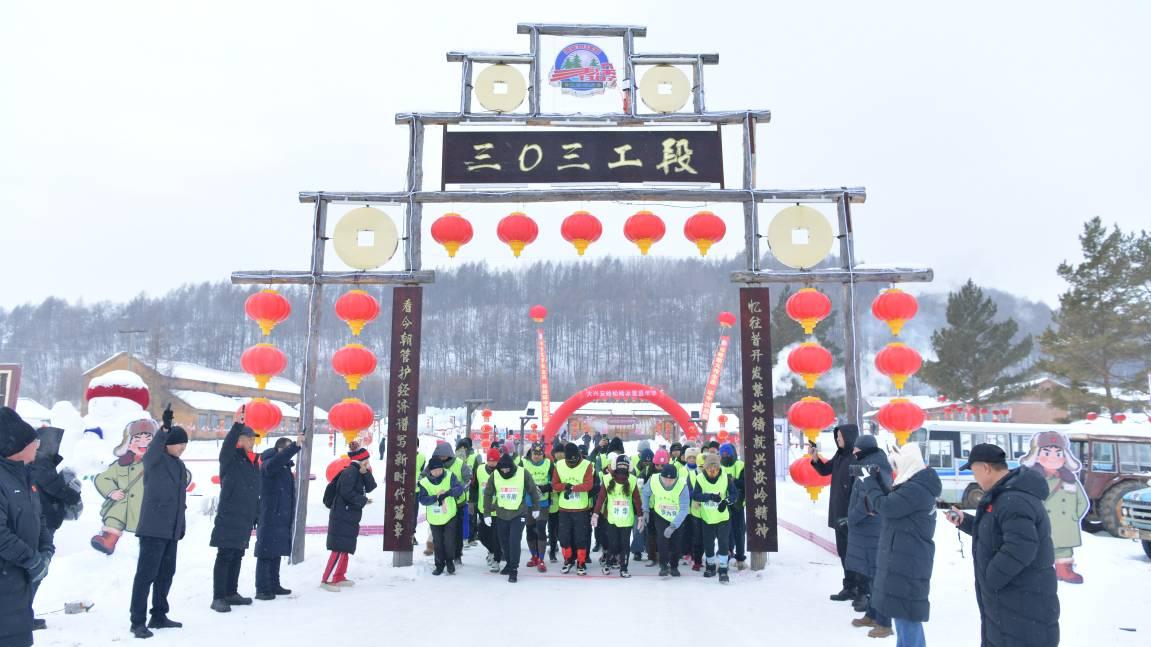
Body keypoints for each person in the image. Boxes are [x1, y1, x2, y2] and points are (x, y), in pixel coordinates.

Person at [947, 444, 1059, 647]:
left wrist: (991, 578)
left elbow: (1021, 547)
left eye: (974, 472)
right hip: (1012, 603)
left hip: (1022, 604)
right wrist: (965, 521)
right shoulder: (1005, 496)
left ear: (986, 468)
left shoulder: (1013, 499)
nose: (975, 478)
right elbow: (997, 533)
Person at [863, 443, 940, 645]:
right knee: (902, 613)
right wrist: (877, 480)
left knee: (907, 615)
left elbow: (886, 506)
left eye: (897, 465)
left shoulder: (916, 489)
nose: (895, 471)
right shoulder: (915, 485)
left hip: (908, 560)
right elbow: (892, 502)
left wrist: (869, 481)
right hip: (906, 557)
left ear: (908, 463)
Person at [130, 407, 190, 639]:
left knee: (166, 574)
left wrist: (180, 525)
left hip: (171, 530)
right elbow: (154, 448)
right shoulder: (155, 459)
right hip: (153, 529)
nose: (183, 447)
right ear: (168, 443)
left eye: (185, 444)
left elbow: (180, 499)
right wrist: (164, 429)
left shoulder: (179, 465)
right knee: (146, 576)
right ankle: (137, 621)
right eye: (180, 443)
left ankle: (159, 615)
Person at [0, 408, 52, 647]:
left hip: (19, 584)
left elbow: (39, 518)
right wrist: (31, 560)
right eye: (34, 442)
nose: (38, 447)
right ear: (18, 447)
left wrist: (46, 549)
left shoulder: (24, 476)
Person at [28, 426, 82, 630]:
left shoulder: (40, 462)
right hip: (43, 523)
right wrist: (73, 494)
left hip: (42, 521)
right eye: (55, 442)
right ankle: (22, 614)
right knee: (37, 571)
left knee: (35, 571)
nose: (57, 446)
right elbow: (56, 488)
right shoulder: (41, 464)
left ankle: (24, 613)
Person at [1019, 431, 1089, 583]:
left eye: (1058, 453)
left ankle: (1064, 571)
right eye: (1047, 453)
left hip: (1065, 525)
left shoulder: (1070, 480)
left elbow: (1082, 502)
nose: (1053, 458)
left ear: (1065, 457)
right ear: (1036, 455)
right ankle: (1037, 571)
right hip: (1041, 524)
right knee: (1039, 548)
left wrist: (1073, 517)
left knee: (1064, 549)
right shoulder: (1031, 480)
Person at [209, 415, 261, 613]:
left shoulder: (252, 461)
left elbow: (255, 490)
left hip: (244, 517)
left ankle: (231, 592)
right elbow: (227, 445)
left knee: (238, 554)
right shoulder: (230, 458)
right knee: (225, 555)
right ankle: (218, 597)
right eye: (248, 438)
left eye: (253, 438)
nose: (252, 441)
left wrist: (256, 513)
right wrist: (237, 426)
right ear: (239, 440)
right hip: (229, 515)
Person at [846, 434, 893, 635]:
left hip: (873, 530)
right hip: (867, 531)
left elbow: (869, 500)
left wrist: (852, 518)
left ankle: (883, 621)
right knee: (872, 576)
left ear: (864, 450)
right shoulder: (868, 465)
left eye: (856, 450)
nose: (854, 452)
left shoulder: (877, 468)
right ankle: (872, 614)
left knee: (878, 578)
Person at [810, 423, 860, 601]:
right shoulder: (840, 455)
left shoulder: (856, 459)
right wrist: (815, 458)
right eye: (837, 437)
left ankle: (859, 589)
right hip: (838, 512)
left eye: (840, 437)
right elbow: (825, 471)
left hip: (851, 515)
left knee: (854, 553)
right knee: (843, 552)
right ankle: (849, 587)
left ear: (849, 437)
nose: (837, 439)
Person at [254, 434, 302, 600]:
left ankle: (274, 584)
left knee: (276, 551)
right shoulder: (269, 462)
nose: (289, 452)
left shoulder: (285, 467)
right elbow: (275, 463)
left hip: (281, 515)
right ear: (279, 450)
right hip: (270, 514)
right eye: (287, 449)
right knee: (266, 553)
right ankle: (262, 588)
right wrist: (295, 446)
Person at [322, 447, 377, 591]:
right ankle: (326, 580)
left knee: (345, 547)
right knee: (338, 548)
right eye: (366, 460)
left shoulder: (359, 472)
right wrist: (363, 500)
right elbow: (346, 492)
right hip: (342, 515)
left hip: (350, 515)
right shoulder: (350, 472)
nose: (368, 462)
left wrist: (366, 473)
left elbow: (371, 487)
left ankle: (339, 576)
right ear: (360, 460)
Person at [483, 453, 543, 583]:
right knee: (504, 542)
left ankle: (513, 569)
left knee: (514, 541)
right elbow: (487, 494)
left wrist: (536, 507)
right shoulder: (495, 475)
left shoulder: (523, 473)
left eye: (507, 469)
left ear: (512, 467)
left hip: (519, 513)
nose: (504, 471)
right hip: (501, 513)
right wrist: (487, 513)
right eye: (502, 469)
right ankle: (509, 563)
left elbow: (533, 490)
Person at [593, 456, 642, 577]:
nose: (622, 470)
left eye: (624, 467)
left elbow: (637, 499)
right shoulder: (607, 479)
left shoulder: (632, 480)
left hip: (626, 519)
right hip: (613, 519)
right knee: (613, 544)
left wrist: (640, 516)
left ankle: (623, 568)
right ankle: (609, 563)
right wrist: (596, 514)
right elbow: (601, 498)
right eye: (620, 466)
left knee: (624, 545)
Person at [691, 453, 737, 583]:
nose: (712, 471)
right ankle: (710, 566)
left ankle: (723, 568)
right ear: (705, 468)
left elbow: (734, 494)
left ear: (718, 468)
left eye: (715, 468)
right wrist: (709, 496)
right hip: (707, 517)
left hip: (723, 517)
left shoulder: (725, 477)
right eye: (709, 468)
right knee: (708, 543)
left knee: (723, 543)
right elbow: (696, 495)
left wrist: (725, 502)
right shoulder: (700, 478)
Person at [552, 441, 594, 575]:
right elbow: (555, 484)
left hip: (581, 509)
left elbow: (588, 485)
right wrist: (565, 486)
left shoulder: (587, 465)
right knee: (564, 537)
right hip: (564, 508)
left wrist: (573, 488)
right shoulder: (559, 465)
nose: (572, 464)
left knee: (580, 538)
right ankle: (568, 560)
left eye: (574, 461)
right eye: (569, 462)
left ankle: (581, 562)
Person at [417, 456, 464, 575]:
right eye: (435, 470)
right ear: (430, 471)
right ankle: (439, 565)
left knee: (449, 541)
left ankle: (450, 561)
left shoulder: (450, 476)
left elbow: (459, 489)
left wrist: (448, 493)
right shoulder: (424, 482)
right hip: (434, 518)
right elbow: (422, 500)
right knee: (438, 542)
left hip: (449, 515)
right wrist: (435, 497)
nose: (438, 472)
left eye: (440, 469)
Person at [642, 463, 690, 577]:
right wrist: (646, 510)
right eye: (665, 479)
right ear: (661, 476)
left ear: (676, 478)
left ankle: (674, 566)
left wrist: (673, 526)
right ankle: (663, 565)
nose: (668, 481)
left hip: (677, 516)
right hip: (660, 514)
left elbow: (684, 508)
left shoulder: (682, 485)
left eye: (671, 480)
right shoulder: (654, 480)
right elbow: (645, 493)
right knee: (662, 539)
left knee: (676, 542)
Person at [522, 443, 552, 572]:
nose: (537, 456)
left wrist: (544, 488)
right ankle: (534, 556)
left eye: (540, 454)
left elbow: (555, 481)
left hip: (542, 503)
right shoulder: (524, 463)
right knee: (530, 529)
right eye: (535, 454)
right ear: (531, 453)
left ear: (543, 454)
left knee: (540, 529)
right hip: (528, 503)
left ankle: (541, 559)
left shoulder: (548, 464)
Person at [719, 443, 747, 570]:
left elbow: (745, 483)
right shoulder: (719, 466)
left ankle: (740, 558)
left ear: (733, 454)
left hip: (738, 504)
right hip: (724, 504)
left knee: (739, 531)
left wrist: (733, 481)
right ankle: (726, 554)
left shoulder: (741, 465)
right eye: (723, 455)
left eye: (728, 454)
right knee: (724, 532)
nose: (725, 457)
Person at [473, 447, 502, 571]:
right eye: (490, 460)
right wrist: (472, 503)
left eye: (494, 461)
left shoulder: (502, 471)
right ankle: (492, 551)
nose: (492, 463)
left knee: (496, 537)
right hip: (483, 509)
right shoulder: (480, 469)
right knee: (482, 535)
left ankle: (497, 559)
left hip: (498, 510)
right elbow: (474, 486)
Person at [630, 447, 656, 563]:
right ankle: (637, 551)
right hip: (638, 504)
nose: (647, 464)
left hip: (652, 504)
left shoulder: (655, 471)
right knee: (638, 529)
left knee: (650, 530)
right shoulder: (635, 470)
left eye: (649, 461)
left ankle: (650, 550)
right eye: (645, 461)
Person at [545, 442, 565, 562]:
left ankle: (564, 549)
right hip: (552, 502)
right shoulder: (551, 467)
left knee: (561, 529)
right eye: (557, 452)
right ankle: (552, 551)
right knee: (552, 529)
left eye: (561, 452)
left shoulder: (566, 466)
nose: (559, 455)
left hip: (564, 503)